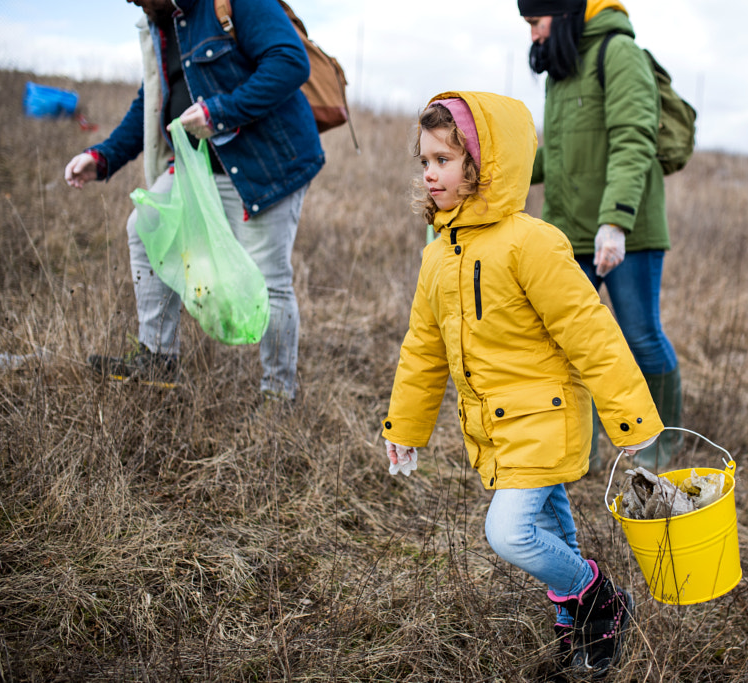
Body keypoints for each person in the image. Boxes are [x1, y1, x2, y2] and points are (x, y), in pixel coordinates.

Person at [381, 91, 663, 678]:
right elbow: (423, 350)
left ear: (482, 165)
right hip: (498, 425)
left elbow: (591, 332)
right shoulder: (439, 255)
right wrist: (405, 428)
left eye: (445, 160)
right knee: (552, 521)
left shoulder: (531, 242)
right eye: (425, 161)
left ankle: (596, 595)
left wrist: (631, 418)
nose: (431, 173)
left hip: (546, 417)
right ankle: (586, 621)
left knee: (508, 532)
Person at [64, 0, 324, 402]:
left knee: (269, 278)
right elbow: (153, 99)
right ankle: (157, 359)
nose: (134, 1)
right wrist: (104, 156)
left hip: (266, 165)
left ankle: (278, 397)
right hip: (197, 166)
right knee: (146, 225)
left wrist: (218, 112)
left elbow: (290, 62)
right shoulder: (162, 23)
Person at [520, 0, 682, 470]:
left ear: (563, 11)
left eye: (536, 21)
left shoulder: (620, 53)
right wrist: (488, 174)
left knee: (640, 337)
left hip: (628, 230)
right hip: (570, 233)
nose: (533, 34)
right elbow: (555, 156)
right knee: (566, 342)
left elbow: (634, 138)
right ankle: (577, 451)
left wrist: (615, 222)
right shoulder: (561, 68)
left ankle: (660, 445)